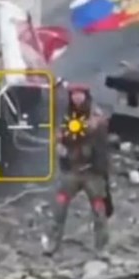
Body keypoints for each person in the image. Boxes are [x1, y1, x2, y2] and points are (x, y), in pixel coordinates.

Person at [43, 83, 113, 258]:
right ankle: (53, 243)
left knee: (99, 209)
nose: (77, 97)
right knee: (59, 205)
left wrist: (102, 169)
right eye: (74, 94)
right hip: (72, 170)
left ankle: (102, 248)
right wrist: (58, 145)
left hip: (92, 172)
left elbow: (102, 144)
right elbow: (59, 136)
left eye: (80, 94)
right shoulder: (66, 115)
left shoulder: (96, 117)